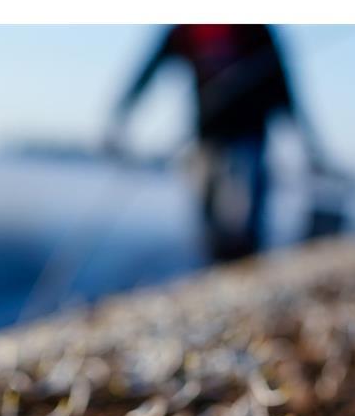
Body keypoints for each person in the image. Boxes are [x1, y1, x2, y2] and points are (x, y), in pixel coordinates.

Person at [107, 24, 330, 260]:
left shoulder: (255, 29)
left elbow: (284, 88)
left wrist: (307, 144)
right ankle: (216, 270)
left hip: (249, 136)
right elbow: (149, 69)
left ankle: (247, 269)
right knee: (210, 224)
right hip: (206, 138)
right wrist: (121, 117)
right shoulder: (185, 30)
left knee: (245, 220)